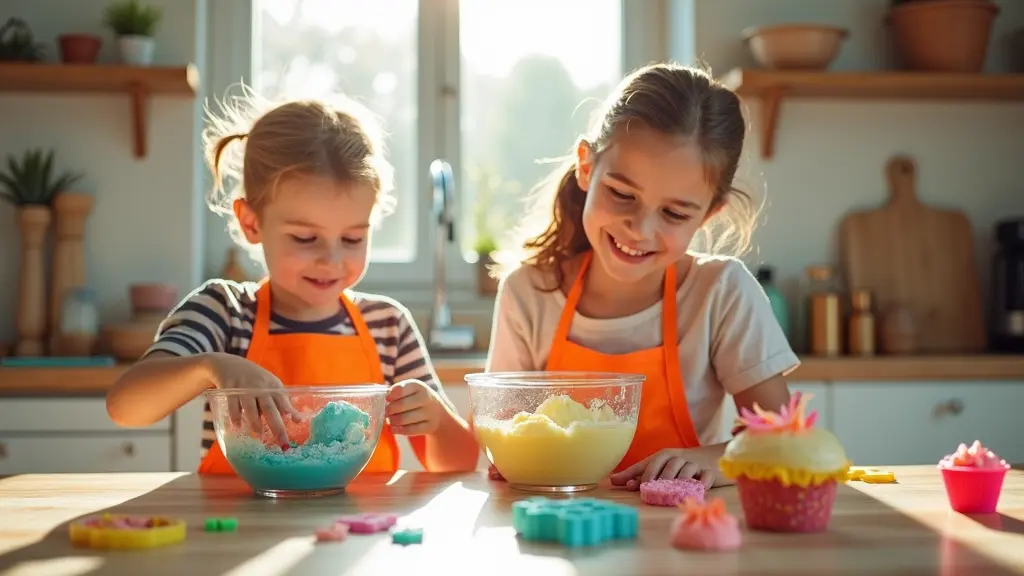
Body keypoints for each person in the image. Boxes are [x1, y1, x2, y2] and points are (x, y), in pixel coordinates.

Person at [106, 92, 479, 474]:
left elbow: (461, 460)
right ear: (252, 223)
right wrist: (209, 368)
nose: (330, 260)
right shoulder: (224, 312)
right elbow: (125, 407)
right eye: (304, 238)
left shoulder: (388, 325)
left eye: (352, 239)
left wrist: (436, 420)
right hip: (241, 528)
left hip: (360, 531)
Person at [485, 63, 796, 490]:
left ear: (708, 215)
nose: (640, 228)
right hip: (559, 526)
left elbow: (783, 439)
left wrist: (713, 462)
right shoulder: (528, 293)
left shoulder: (722, 293)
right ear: (586, 167)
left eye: (674, 213)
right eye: (622, 194)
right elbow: (496, 432)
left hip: (683, 532)